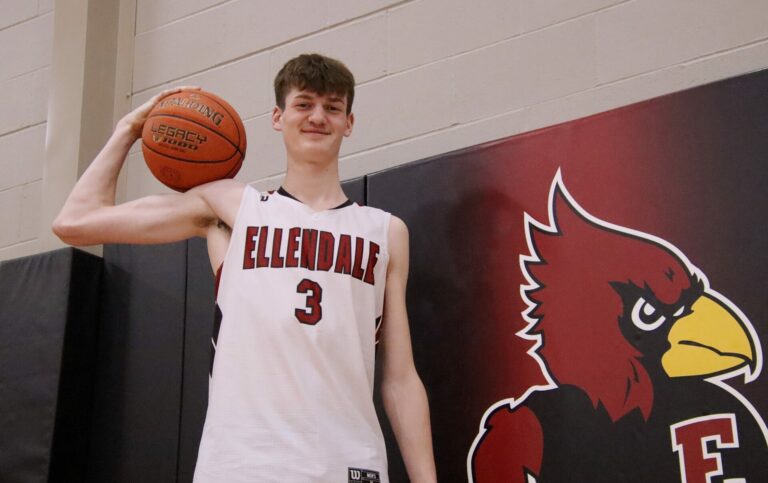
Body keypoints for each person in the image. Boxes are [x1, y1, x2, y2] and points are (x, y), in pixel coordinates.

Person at [53, 54, 436, 482]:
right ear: (277, 117)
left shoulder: (385, 231)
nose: (317, 117)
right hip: (244, 463)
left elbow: (401, 380)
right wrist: (128, 130)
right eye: (303, 104)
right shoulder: (232, 208)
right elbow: (75, 221)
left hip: (349, 463)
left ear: (349, 122)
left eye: (332, 107)